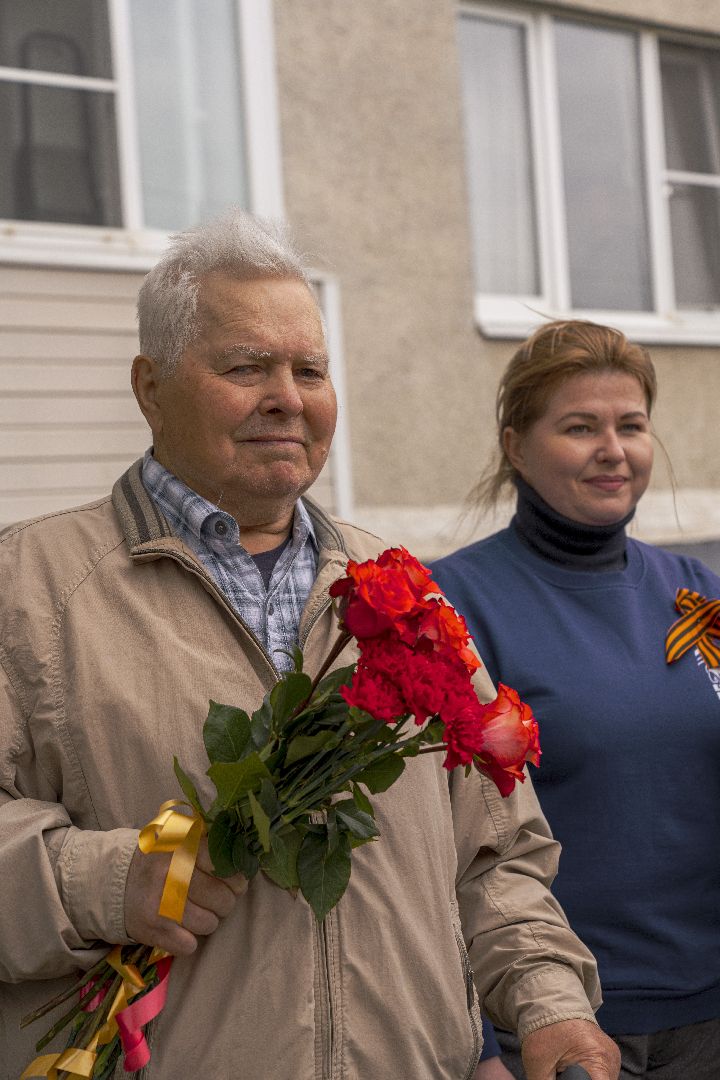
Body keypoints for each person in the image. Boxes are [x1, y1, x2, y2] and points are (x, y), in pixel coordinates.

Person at [0, 216, 618, 1080]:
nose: (287, 397)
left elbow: (495, 852)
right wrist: (109, 882)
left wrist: (549, 1008)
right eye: (246, 367)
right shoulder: (29, 587)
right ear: (149, 387)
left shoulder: (400, 589)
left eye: (310, 370)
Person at [432, 319, 720, 1080]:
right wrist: (481, 1044)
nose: (613, 450)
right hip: (563, 1028)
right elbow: (437, 842)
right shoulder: (454, 604)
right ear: (515, 445)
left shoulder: (698, 594)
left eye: (631, 425)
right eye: (579, 427)